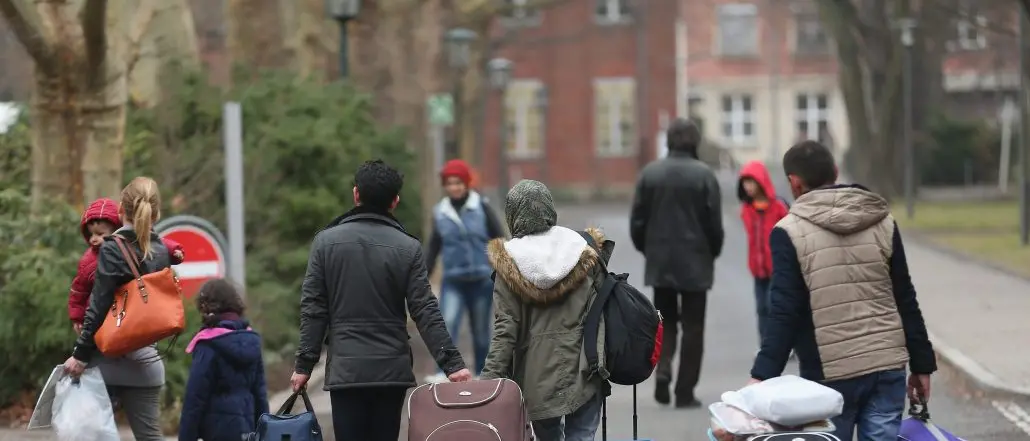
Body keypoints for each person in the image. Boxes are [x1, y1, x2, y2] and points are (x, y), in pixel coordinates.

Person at [749, 141, 936, 441]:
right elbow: (905, 297)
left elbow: (785, 311)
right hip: (886, 367)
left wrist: (762, 375)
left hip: (828, 375)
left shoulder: (788, 232)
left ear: (794, 183)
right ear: (835, 172)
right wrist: (922, 364)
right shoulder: (883, 221)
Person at [290, 159, 472, 441]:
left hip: (346, 370)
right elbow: (424, 309)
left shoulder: (325, 243)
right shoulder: (408, 247)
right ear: (395, 201)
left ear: (356, 194)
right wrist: (452, 364)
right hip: (391, 370)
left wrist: (304, 365)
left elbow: (314, 309)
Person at [480, 179, 607, 441]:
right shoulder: (582, 248)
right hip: (586, 366)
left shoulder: (509, 263)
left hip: (536, 378)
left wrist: (490, 380)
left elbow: (506, 328)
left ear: (513, 215)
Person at [62, 177, 171, 441]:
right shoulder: (161, 249)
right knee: (150, 437)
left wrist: (80, 355)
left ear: (121, 210)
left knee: (90, 435)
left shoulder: (112, 248)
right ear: (156, 213)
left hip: (105, 363)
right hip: (147, 364)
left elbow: (99, 305)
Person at [630, 118, 724, 408]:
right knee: (694, 327)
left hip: (661, 261)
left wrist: (648, 250)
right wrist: (712, 252)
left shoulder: (650, 174)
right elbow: (714, 224)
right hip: (696, 261)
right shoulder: (704, 175)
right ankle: (685, 391)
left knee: (665, 321)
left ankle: (663, 368)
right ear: (695, 142)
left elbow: (637, 222)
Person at [424, 159, 506, 383]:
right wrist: (422, 279)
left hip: (481, 279)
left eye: (458, 182)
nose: (454, 187)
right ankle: (443, 371)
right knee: (447, 324)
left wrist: (504, 270)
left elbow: (499, 238)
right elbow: (433, 248)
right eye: (450, 183)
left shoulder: (481, 207)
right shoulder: (440, 212)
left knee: (480, 331)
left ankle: (482, 372)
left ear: (467, 183)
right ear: (445, 185)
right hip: (453, 281)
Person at [68, 197, 185, 334]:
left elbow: (153, 243)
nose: (93, 239)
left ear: (117, 231)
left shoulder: (129, 246)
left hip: (135, 311)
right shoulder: (88, 261)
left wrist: (173, 251)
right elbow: (79, 290)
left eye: (100, 234)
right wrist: (77, 317)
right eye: (90, 234)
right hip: (104, 318)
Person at [179, 278, 268, 441]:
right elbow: (260, 393)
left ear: (206, 307)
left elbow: (195, 397)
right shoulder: (252, 341)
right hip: (247, 428)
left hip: (216, 431)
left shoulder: (208, 344)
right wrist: (265, 432)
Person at [736, 161, 789, 344]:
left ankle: (781, 344)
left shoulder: (778, 207)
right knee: (761, 308)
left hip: (776, 267)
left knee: (773, 306)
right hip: (758, 269)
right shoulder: (747, 209)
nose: (748, 187)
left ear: (761, 181)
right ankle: (765, 346)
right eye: (745, 182)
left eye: (751, 181)